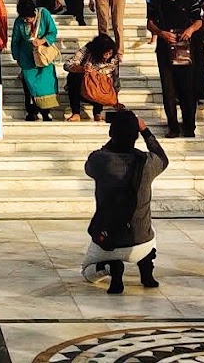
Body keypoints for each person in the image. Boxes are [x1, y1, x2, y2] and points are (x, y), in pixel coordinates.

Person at [82, 110, 169, 295]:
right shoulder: (147, 162)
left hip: (109, 242)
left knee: (88, 273)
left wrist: (112, 140)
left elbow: (89, 166)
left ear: (111, 133)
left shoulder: (100, 160)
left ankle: (111, 267)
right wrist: (146, 132)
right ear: (136, 135)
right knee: (148, 227)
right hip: (142, 242)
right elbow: (163, 158)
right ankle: (146, 266)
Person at [146, 0, 204, 138]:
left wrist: (190, 30)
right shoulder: (156, 0)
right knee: (169, 89)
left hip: (185, 49)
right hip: (165, 49)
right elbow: (150, 23)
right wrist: (160, 33)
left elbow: (199, 20)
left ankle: (189, 126)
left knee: (188, 88)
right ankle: (173, 126)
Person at [11, 0, 61, 121]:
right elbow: (15, 41)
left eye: (28, 18)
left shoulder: (44, 14)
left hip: (43, 57)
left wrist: (42, 41)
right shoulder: (19, 22)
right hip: (27, 58)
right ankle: (31, 111)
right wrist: (17, 57)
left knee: (45, 85)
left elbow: (53, 32)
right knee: (29, 86)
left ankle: (45, 112)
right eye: (24, 18)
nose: (26, 20)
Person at [66, 34, 120, 121]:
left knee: (102, 80)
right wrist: (82, 69)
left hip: (102, 90)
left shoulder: (114, 57)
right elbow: (68, 65)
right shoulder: (88, 49)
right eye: (105, 53)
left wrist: (116, 99)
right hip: (85, 87)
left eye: (110, 53)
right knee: (73, 76)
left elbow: (116, 79)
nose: (108, 55)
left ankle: (97, 112)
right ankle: (76, 113)